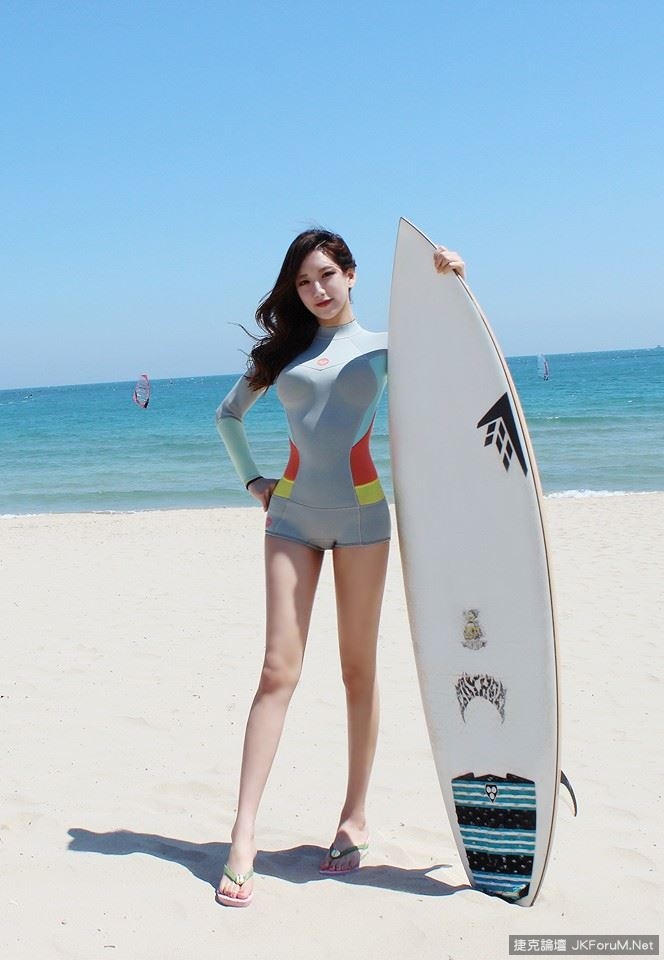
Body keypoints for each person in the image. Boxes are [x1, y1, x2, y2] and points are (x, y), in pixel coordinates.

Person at [214, 228, 465, 907]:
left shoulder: (385, 348)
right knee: (277, 670)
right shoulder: (284, 353)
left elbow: (454, 368)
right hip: (291, 517)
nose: (316, 290)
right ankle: (243, 834)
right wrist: (254, 481)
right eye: (303, 281)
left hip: (362, 520)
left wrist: (450, 282)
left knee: (359, 670)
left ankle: (354, 817)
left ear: (351, 274)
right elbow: (228, 416)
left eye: (326, 275)